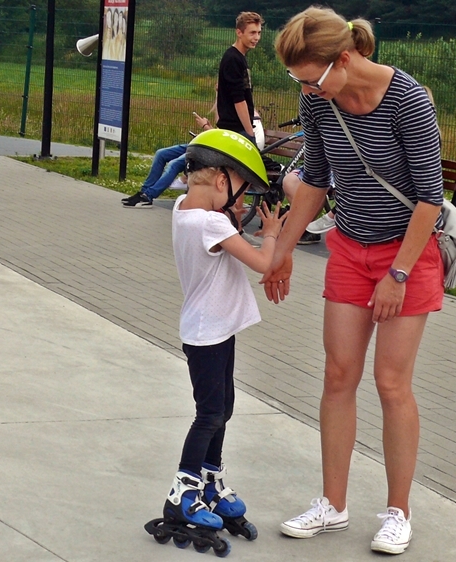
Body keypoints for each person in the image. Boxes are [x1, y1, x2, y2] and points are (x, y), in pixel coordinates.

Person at [265, 8, 445, 555]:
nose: (306, 91)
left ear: (344, 59)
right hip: (349, 247)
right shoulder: (317, 99)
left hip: (406, 255)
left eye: (312, 80)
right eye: (298, 81)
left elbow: (429, 198)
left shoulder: (407, 99)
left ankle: (398, 513)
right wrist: (282, 250)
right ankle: (333, 504)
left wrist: (397, 274)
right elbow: (316, 179)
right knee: (338, 374)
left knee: (391, 383)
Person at [144, 128, 286, 549]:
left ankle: (210, 481)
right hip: (209, 333)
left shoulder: (184, 209)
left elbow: (219, 238)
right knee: (209, 414)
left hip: (212, 329)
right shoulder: (211, 223)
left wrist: (233, 216)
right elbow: (262, 261)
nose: (240, 196)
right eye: (239, 185)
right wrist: (271, 229)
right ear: (222, 179)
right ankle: (182, 493)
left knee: (222, 409)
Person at [122, 111, 214, 208]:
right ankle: (143, 192)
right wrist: (209, 128)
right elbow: (218, 132)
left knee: (174, 164)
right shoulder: (220, 108)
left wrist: (205, 126)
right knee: (160, 154)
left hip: (208, 150)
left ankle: (148, 196)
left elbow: (222, 136)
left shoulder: (224, 109)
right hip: (200, 143)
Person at [217, 12, 263, 141]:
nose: (256, 37)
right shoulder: (233, 59)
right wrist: (250, 134)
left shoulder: (239, 57)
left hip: (237, 128)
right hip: (235, 129)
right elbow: (239, 99)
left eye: (259, 33)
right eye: (252, 33)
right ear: (239, 32)